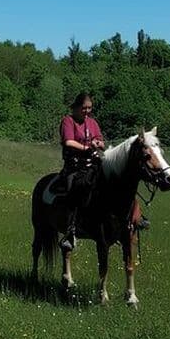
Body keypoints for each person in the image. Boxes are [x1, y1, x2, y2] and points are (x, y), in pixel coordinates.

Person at [58, 93, 105, 250]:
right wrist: (86, 147)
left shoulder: (92, 123)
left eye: (89, 108)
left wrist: (97, 143)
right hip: (74, 166)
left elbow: (101, 141)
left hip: (93, 164)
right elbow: (69, 141)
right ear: (76, 107)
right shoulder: (68, 121)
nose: (87, 111)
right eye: (84, 108)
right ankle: (70, 230)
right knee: (73, 187)